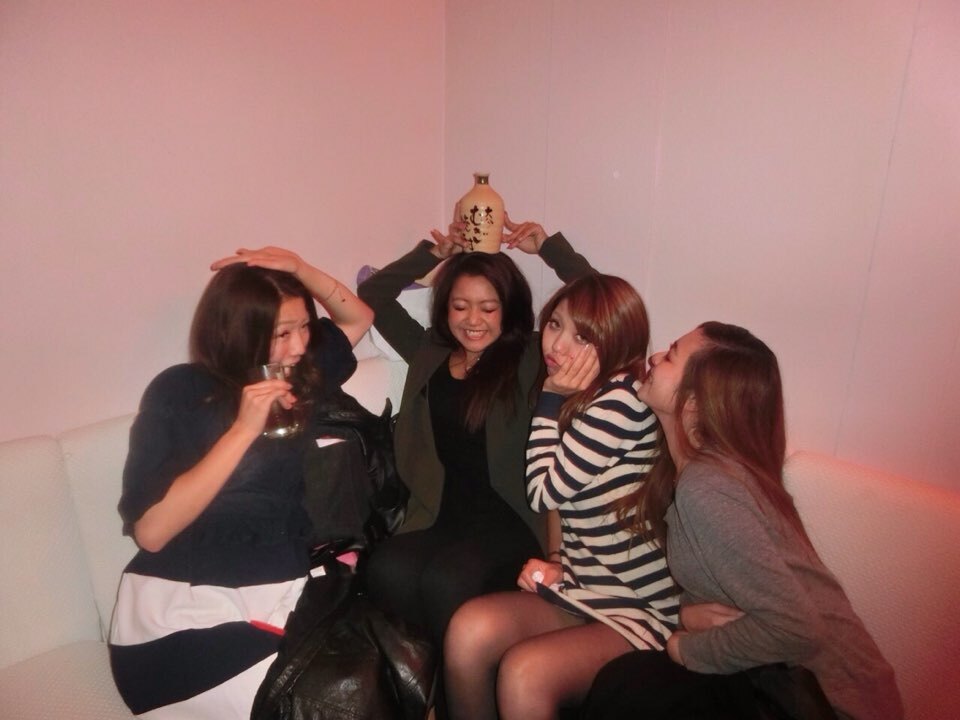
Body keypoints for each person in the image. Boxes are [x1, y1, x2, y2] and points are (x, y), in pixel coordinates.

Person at [582, 322, 903, 720]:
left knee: (624, 688)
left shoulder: (707, 487)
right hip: (795, 685)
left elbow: (795, 627)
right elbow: (729, 592)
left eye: (671, 356)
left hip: (827, 703)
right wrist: (687, 614)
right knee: (626, 685)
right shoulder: (706, 473)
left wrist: (685, 648)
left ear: (695, 400)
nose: (654, 358)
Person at [108, 247, 374, 719]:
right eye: (282, 333)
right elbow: (151, 532)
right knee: (336, 702)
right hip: (186, 608)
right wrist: (242, 430)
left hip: (281, 591)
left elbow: (358, 317)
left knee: (378, 673)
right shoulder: (182, 391)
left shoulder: (299, 378)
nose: (299, 345)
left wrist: (298, 268)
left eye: (304, 327)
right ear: (238, 331)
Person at [442, 273, 680, 720]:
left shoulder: (620, 400)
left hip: (637, 607)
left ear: (615, 341)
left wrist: (548, 400)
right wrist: (557, 561)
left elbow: (542, 491)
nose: (558, 345)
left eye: (582, 337)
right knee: (469, 629)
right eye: (554, 324)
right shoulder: (589, 393)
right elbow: (563, 504)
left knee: (524, 672)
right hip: (586, 587)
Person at [356, 211, 593, 649]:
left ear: (509, 309)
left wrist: (548, 249)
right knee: (386, 568)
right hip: (440, 514)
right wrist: (434, 253)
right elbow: (372, 294)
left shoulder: (532, 357)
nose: (473, 320)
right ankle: (423, 677)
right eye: (460, 306)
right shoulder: (429, 350)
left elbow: (603, 305)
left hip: (510, 521)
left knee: (448, 582)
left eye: (488, 307)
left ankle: (462, 677)